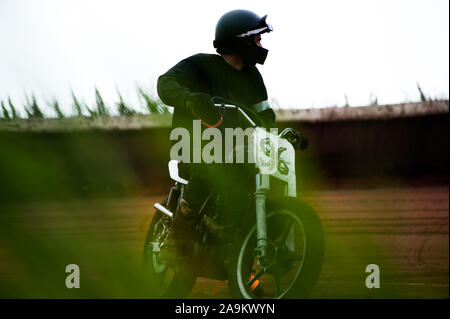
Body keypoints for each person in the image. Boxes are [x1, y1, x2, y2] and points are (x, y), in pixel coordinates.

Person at [156, 9, 276, 262]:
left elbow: (263, 115)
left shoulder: (252, 77)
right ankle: (177, 239)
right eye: (257, 39)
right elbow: (165, 83)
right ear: (240, 39)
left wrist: (278, 135)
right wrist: (189, 99)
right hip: (194, 144)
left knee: (262, 175)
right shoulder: (200, 65)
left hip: (235, 150)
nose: (261, 45)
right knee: (208, 169)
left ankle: (238, 235)